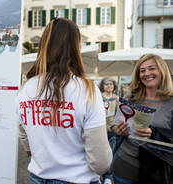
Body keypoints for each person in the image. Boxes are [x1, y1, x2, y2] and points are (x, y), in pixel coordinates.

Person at [15, 18, 112, 184]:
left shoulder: (25, 89)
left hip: (38, 178)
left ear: (44, 45)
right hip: (77, 179)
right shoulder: (87, 90)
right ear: (76, 47)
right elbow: (100, 162)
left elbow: (24, 137)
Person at [112, 53, 173, 184]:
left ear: (162, 71)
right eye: (142, 70)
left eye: (152, 68)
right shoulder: (130, 97)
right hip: (125, 166)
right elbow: (114, 125)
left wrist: (154, 134)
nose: (147, 73)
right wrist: (118, 130)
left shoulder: (171, 102)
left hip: (157, 172)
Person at [98, 78, 119, 184]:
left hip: (112, 128)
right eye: (106, 84)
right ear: (103, 86)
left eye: (111, 84)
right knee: (99, 153)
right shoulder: (98, 97)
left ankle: (107, 176)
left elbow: (119, 115)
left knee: (111, 153)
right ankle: (97, 175)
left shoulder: (117, 98)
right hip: (100, 128)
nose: (109, 86)